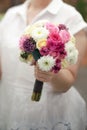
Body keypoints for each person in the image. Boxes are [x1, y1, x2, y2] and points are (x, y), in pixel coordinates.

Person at [0, 0, 87, 130]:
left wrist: (51, 74)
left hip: (48, 112)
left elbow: (67, 82)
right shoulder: (11, 15)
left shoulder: (72, 17)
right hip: (9, 104)